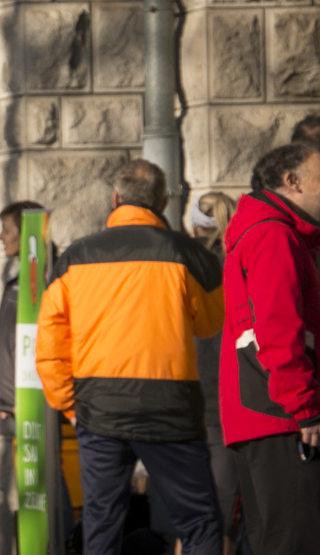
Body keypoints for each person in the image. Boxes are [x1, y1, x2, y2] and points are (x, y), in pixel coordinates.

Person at [35, 159, 225, 555]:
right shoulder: (185, 252)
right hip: (170, 407)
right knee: (199, 522)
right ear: (163, 201)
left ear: (115, 198)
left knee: (102, 523)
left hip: (98, 407)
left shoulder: (77, 256)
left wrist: (67, 403)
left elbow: (50, 340)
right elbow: (210, 324)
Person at [220, 144, 320, 555]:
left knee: (276, 540)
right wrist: (305, 407)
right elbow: (277, 329)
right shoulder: (273, 234)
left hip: (264, 412)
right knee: (294, 541)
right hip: (282, 416)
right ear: (291, 181)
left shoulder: (265, 231)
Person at [0, 200, 44, 555]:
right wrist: (5, 398)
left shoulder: (42, 280)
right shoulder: (18, 280)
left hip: (34, 404)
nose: (0, 237)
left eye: (7, 230)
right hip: (16, 403)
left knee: (42, 488)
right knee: (23, 493)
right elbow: (10, 347)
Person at [188, 192, 243, 555]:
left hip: (185, 400)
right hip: (230, 402)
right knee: (224, 515)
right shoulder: (241, 261)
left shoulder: (179, 263)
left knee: (190, 518)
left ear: (194, 226)